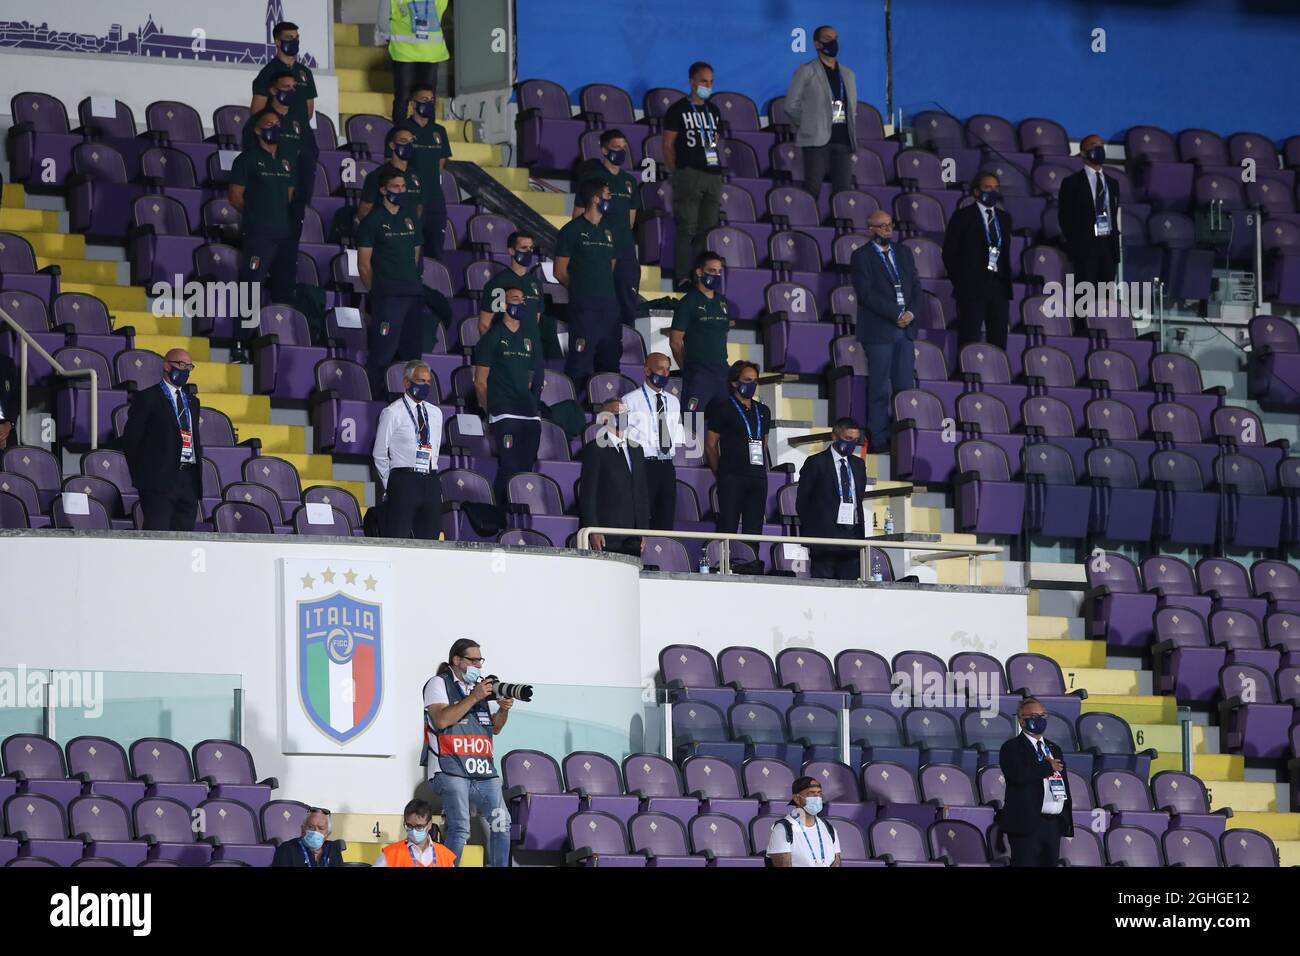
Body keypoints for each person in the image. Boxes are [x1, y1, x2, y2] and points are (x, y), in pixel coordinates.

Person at [423, 640, 513, 868]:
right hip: (450, 769)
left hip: (482, 770)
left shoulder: (479, 689)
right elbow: (442, 719)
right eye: (473, 660)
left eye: (480, 660)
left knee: (502, 823)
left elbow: (494, 728)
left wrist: (503, 710)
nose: (478, 665)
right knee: (460, 827)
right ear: (456, 660)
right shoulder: (438, 683)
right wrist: (474, 696)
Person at [229, 109, 297, 361]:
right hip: (258, 235)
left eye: (278, 124)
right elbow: (235, 197)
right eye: (269, 124)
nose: (274, 128)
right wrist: (258, 215)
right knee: (252, 288)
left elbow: (289, 195)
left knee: (283, 289)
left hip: (284, 234)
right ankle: (240, 343)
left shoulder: (286, 161)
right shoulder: (246, 160)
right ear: (258, 130)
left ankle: (276, 347)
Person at [851, 210, 922, 451]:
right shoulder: (861, 256)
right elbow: (866, 294)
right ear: (870, 229)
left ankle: (903, 442)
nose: (888, 230)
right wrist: (895, 314)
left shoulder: (904, 253)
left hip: (905, 330)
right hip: (880, 331)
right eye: (882, 227)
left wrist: (911, 313)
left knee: (904, 388)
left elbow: (916, 286)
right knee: (880, 387)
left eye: (890, 225)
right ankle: (879, 439)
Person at [356, 168, 426, 398]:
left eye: (403, 186)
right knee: (383, 353)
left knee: (413, 354)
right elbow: (364, 264)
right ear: (383, 189)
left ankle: (411, 401)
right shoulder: (372, 221)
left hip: (413, 294)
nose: (401, 191)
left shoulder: (410, 217)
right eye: (396, 187)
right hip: (388, 295)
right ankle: (374, 397)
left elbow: (415, 254)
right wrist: (378, 291)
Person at [474, 287, 544, 504]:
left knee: (525, 469)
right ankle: (498, 514)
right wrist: (490, 411)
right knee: (509, 467)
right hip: (504, 413)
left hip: (529, 414)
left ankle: (514, 517)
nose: (521, 303)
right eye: (515, 299)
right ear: (504, 305)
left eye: (523, 300)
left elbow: (531, 376)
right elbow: (480, 381)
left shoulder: (529, 338)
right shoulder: (492, 337)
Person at [249, 21, 319, 242]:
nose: (294, 42)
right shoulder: (268, 73)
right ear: (277, 42)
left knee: (300, 199)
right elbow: (257, 113)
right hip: (279, 144)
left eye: (296, 37)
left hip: (304, 141)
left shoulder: (304, 73)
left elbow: (308, 111)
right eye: (289, 38)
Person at [121, 349, 203, 531]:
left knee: (184, 538)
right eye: (181, 365)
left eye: (189, 366)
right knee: (158, 535)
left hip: (188, 479)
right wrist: (144, 477)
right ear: (167, 365)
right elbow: (132, 440)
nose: (186, 370)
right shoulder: (147, 397)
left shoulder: (193, 402)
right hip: (158, 480)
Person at [662, 62, 723, 289]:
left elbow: (714, 141)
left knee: (706, 231)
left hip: (712, 174)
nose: (708, 86)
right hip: (688, 173)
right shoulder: (678, 109)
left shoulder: (714, 110)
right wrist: (676, 172)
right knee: (687, 228)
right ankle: (683, 277)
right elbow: (667, 145)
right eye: (703, 81)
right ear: (692, 82)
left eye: (711, 82)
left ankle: (700, 277)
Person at [555, 178, 619, 391]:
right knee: (580, 360)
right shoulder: (571, 231)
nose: (611, 199)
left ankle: (608, 408)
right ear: (596, 198)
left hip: (608, 306)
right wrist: (580, 289)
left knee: (610, 360)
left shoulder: (610, 231)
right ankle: (574, 407)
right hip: (584, 307)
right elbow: (559, 270)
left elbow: (611, 265)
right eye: (608, 194)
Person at [998, 698, 1074, 867]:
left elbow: (1063, 783)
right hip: (1026, 824)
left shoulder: (1054, 748)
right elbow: (1018, 775)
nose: (1039, 719)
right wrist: (1048, 766)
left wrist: (1065, 819)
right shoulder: (1011, 748)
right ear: (1021, 720)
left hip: (1053, 824)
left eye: (1042, 715)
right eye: (1033, 716)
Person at [784, 25, 857, 199]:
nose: (833, 42)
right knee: (812, 190)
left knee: (843, 194)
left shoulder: (848, 74)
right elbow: (790, 105)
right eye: (827, 39)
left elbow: (852, 108)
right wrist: (808, 124)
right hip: (816, 141)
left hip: (843, 140)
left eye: (835, 38)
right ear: (817, 44)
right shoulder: (806, 70)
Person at [942, 171, 1013, 350]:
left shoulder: (1004, 219)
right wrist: (962, 282)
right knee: (969, 336)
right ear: (976, 192)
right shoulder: (962, 216)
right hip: (972, 288)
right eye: (988, 188)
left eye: (996, 188)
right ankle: (968, 372)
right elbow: (950, 253)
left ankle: (996, 374)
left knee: (998, 338)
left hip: (998, 287)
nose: (993, 191)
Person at [373, 360, 443, 539]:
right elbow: (380, 453)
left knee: (430, 541)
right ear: (407, 382)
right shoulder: (392, 412)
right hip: (404, 480)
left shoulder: (436, 413)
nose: (426, 385)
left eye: (428, 382)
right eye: (421, 381)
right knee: (399, 537)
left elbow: (434, 449)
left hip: (430, 480)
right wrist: (391, 483)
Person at [581, 129, 642, 327]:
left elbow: (630, 220)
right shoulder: (592, 179)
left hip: (624, 249)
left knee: (627, 302)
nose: (621, 152)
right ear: (604, 150)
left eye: (623, 148)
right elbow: (578, 215)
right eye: (616, 148)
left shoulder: (630, 181)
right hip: (599, 248)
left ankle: (627, 343)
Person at [795, 417, 869, 580]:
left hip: (852, 537)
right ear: (835, 437)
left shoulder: (858, 465)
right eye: (848, 439)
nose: (852, 444)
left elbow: (859, 496)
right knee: (823, 588)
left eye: (855, 440)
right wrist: (815, 530)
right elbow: (802, 501)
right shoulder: (816, 462)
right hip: (824, 538)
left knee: (849, 589)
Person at [706, 361, 771, 535]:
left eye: (755, 381)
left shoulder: (763, 410)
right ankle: (724, 561)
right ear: (735, 382)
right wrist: (720, 472)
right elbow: (711, 444)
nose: (752, 385)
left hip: (757, 476)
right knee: (728, 524)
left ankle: (752, 561)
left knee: (754, 527)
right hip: (732, 476)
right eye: (747, 380)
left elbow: (764, 442)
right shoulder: (722, 408)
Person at [579, 398, 650, 556]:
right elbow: (588, 493)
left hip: (633, 535)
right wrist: (593, 530)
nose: (621, 416)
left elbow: (642, 491)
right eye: (616, 413)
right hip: (606, 533)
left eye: (624, 413)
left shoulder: (637, 449)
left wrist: (644, 530)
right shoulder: (595, 448)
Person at [621, 352, 684, 530]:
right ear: (647, 370)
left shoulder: (673, 401)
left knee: (665, 517)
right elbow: (623, 438)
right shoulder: (630, 400)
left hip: (666, 465)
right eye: (659, 369)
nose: (664, 373)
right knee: (642, 517)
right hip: (644, 465)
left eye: (667, 369)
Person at [478, 231, 560, 357]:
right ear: (511, 251)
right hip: (506, 350)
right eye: (523, 248)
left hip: (531, 351)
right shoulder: (498, 283)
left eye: (530, 248)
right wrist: (495, 350)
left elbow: (536, 319)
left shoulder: (536, 284)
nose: (528, 252)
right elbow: (484, 324)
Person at [669, 251, 731, 417]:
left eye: (719, 272)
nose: (716, 275)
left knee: (721, 427)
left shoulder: (722, 302)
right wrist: (687, 368)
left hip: (722, 372)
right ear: (699, 272)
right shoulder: (688, 302)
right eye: (712, 271)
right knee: (692, 425)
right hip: (698, 372)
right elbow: (675, 341)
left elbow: (723, 334)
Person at [1059, 133, 1121, 292]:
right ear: (1083, 153)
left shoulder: (1113, 184)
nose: (1099, 147)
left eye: (1101, 144)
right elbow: (1064, 217)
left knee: (1104, 299)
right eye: (1094, 145)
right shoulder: (1071, 183)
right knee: (1084, 297)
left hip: (1108, 247)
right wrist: (1077, 244)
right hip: (1085, 248)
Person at [398, 82, 453, 261]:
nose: (429, 103)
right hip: (410, 198)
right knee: (410, 250)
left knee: (435, 251)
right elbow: (393, 165)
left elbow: (441, 164)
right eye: (424, 100)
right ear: (413, 104)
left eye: (432, 100)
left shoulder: (439, 131)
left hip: (435, 199)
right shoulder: (401, 130)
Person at [376, 0, 450, 129]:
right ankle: (427, 137)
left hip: (404, 50)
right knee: (427, 98)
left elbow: (383, 20)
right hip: (430, 51)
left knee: (403, 97)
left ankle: (400, 135)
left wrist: (389, 36)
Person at [766, 776, 842, 867]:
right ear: (796, 799)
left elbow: (837, 862)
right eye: (811, 793)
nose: (817, 797)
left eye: (819, 793)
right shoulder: (783, 829)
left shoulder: (829, 828)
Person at [356, 126, 424, 223]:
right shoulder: (376, 176)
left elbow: (419, 206)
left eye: (411, 141)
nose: (409, 145)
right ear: (392, 145)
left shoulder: (417, 175)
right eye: (403, 141)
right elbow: (363, 213)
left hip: (409, 233)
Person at [373, 799, 457, 867]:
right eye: (409, 826)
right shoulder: (390, 854)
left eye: (419, 827)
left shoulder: (445, 855)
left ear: (429, 824)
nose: (413, 831)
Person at [270, 807, 345, 867]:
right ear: (302, 829)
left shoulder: (333, 849)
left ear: (327, 834)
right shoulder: (287, 849)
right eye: (310, 827)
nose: (315, 831)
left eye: (321, 828)